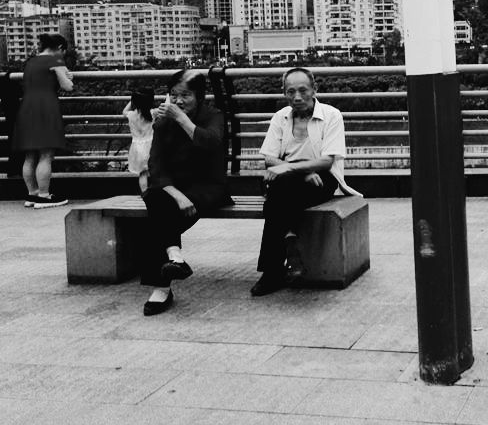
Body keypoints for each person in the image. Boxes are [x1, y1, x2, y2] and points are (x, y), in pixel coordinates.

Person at [251, 67, 360, 297]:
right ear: (284, 93)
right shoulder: (280, 117)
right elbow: (269, 158)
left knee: (278, 195)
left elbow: (326, 161)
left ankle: (272, 271)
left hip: (321, 179)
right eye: (291, 92)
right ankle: (289, 242)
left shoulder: (332, 115)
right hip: (286, 178)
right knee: (282, 187)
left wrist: (292, 168)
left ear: (314, 90)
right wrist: (301, 172)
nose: (297, 97)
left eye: (303, 90)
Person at [138, 70, 231, 315]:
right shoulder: (163, 122)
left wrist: (181, 119)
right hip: (173, 189)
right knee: (156, 198)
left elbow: (211, 143)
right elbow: (155, 165)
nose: (178, 101)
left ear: (199, 97)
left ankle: (161, 288)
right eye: (173, 95)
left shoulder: (213, 116)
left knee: (156, 220)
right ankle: (175, 256)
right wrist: (177, 195)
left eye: (185, 95)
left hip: (208, 187)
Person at [13, 33, 73, 209]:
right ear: (60, 48)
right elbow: (68, 86)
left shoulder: (31, 62)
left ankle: (32, 194)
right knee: (46, 154)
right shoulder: (55, 60)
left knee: (30, 155)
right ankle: (44, 196)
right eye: (63, 52)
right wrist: (65, 75)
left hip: (27, 107)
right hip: (46, 107)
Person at [124, 87, 155, 193]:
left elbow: (124, 111)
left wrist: (133, 99)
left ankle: (145, 194)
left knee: (142, 174)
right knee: (155, 171)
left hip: (137, 148)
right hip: (151, 146)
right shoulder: (153, 113)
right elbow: (166, 107)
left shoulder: (131, 115)